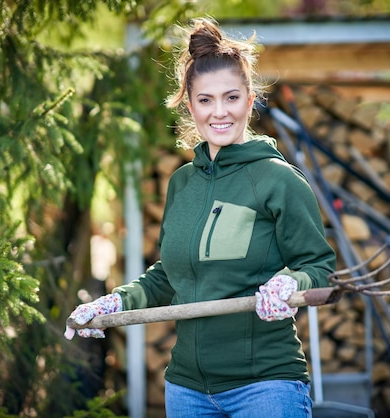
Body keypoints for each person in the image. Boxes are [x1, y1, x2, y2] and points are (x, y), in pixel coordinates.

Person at [64, 18, 336, 418]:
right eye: (206, 100)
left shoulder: (278, 179)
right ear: (189, 105)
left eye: (230, 98)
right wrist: (115, 302)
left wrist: (289, 283)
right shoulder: (182, 183)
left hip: (264, 387)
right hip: (187, 390)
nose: (219, 112)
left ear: (249, 99)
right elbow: (167, 276)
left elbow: (320, 266)